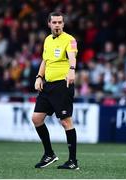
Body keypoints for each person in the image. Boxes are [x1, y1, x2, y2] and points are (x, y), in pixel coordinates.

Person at [32, 11, 79, 170]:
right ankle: (49, 154)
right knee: (36, 119)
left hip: (62, 85)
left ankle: (73, 161)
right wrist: (39, 76)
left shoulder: (70, 40)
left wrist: (72, 69)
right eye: (54, 22)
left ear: (63, 24)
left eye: (60, 22)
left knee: (66, 121)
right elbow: (45, 60)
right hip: (48, 85)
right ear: (49, 24)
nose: (57, 25)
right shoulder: (47, 40)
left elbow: (72, 56)